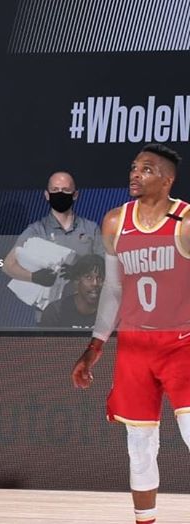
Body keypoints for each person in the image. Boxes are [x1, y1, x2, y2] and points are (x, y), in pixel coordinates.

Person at [72, 144, 190, 524]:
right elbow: (113, 290)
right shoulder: (114, 221)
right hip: (135, 346)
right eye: (134, 167)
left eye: (147, 169)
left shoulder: (185, 221)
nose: (135, 174)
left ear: (167, 180)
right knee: (139, 447)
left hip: (182, 344)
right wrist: (95, 346)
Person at [3, 171, 102, 316]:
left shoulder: (91, 228)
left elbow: (104, 266)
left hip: (85, 311)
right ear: (47, 195)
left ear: (75, 195)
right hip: (48, 313)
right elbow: (8, 265)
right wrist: (34, 277)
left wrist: (80, 270)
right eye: (55, 190)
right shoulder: (36, 230)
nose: (60, 194)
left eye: (65, 190)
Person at [38, 253, 104, 328]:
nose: (95, 283)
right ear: (77, 280)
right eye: (88, 277)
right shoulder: (55, 312)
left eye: (100, 278)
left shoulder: (111, 311)